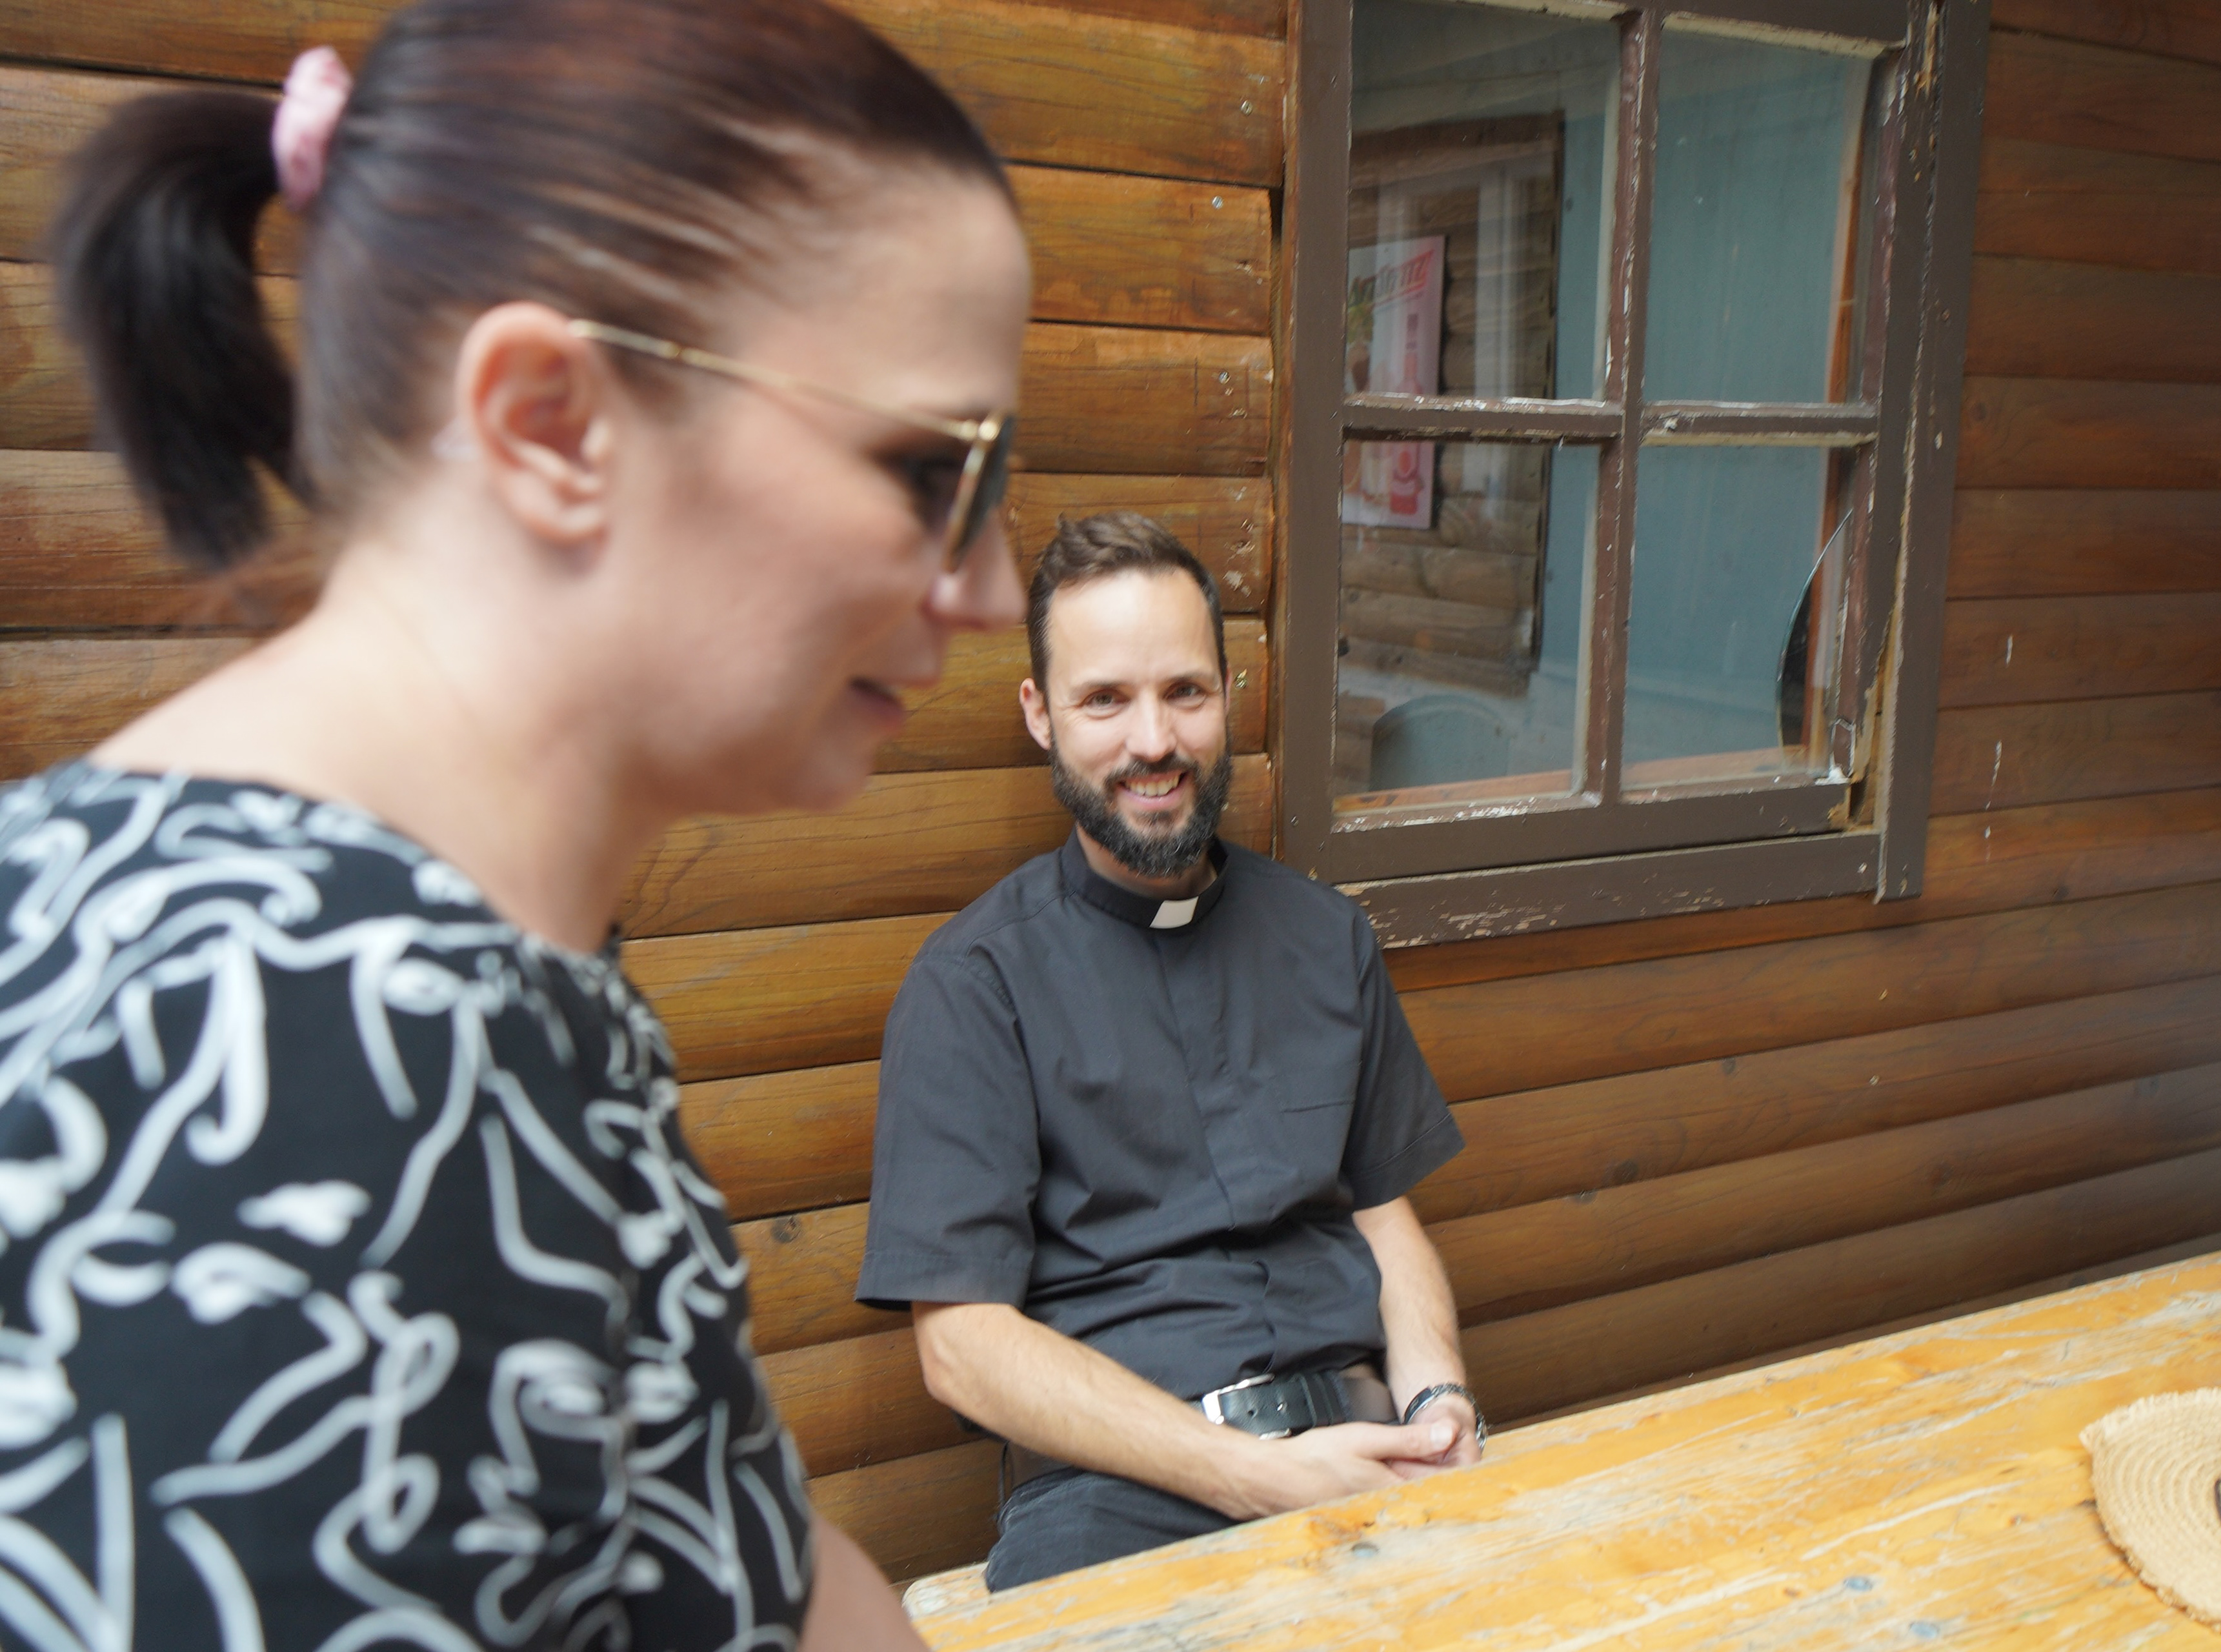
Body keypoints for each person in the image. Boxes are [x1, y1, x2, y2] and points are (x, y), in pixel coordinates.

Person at [4, 3, 1028, 1647]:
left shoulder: (389, 960)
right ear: (551, 420)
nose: (991, 590)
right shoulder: (330, 1066)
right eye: (933, 470)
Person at [857, 512, 1483, 1592]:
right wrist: (1254, 1477)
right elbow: (959, 1343)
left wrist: (1438, 1405)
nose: (1154, 741)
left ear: (1227, 697)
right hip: (1115, 1494)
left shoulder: (1326, 937)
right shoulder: (974, 985)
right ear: (1041, 714)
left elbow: (1386, 1220)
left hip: (1362, 1445)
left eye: (1184, 692)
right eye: (1105, 700)